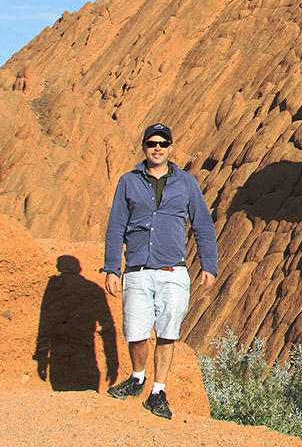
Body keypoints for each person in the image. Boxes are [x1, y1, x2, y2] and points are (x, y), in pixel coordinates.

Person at [102, 123, 218, 419]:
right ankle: (137, 378)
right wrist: (112, 268)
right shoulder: (128, 181)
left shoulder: (187, 182)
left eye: (162, 143)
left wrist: (209, 265)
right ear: (144, 147)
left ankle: (158, 392)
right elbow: (116, 226)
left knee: (167, 333)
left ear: (170, 148)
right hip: (137, 270)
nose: (157, 148)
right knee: (135, 330)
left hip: (172, 271)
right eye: (152, 143)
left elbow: (202, 225)